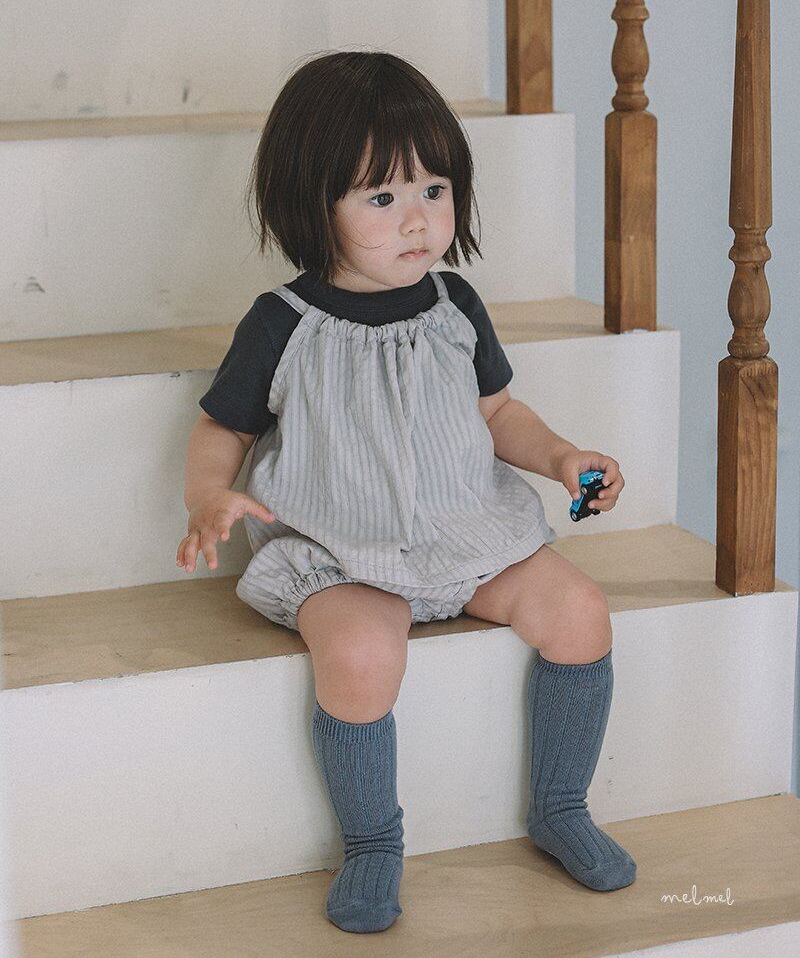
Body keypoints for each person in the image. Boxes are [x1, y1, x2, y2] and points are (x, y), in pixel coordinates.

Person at [177, 51, 636, 934]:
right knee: (357, 657)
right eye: (382, 197)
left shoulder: (456, 305)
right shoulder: (283, 323)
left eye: (434, 189)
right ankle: (371, 843)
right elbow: (222, 429)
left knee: (581, 611)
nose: (418, 218)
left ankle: (561, 806)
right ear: (313, 204)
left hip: (466, 533)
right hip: (343, 552)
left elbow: (497, 412)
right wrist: (209, 495)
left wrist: (562, 456)